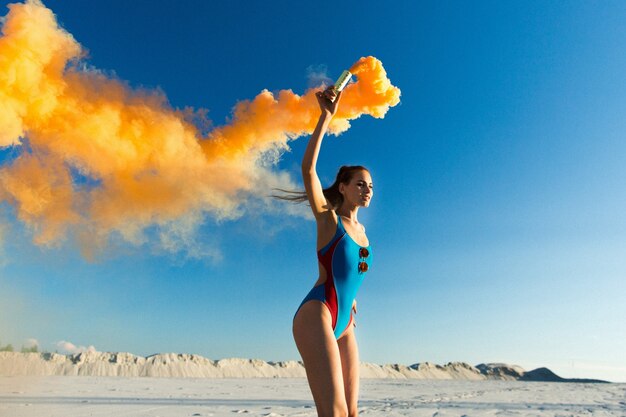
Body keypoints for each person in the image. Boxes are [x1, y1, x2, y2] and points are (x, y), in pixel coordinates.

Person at [290, 85, 374, 417]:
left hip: (345, 323)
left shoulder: (364, 234)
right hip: (317, 314)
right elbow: (308, 171)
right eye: (360, 183)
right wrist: (326, 116)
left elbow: (352, 272)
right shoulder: (329, 221)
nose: (367, 189)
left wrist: (352, 303)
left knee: (351, 413)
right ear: (343, 187)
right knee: (334, 414)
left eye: (370, 186)